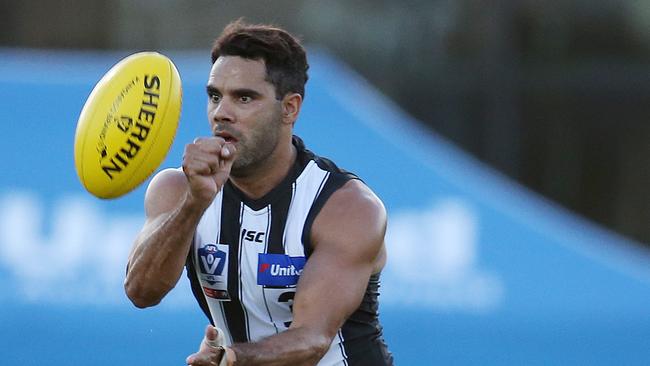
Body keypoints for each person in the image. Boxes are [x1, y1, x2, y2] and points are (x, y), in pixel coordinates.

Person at [124, 20, 393, 366]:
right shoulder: (178, 189)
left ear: (290, 108)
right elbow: (141, 293)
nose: (222, 112)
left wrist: (231, 358)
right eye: (215, 96)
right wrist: (194, 204)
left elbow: (312, 340)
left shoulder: (345, 206)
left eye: (244, 97)